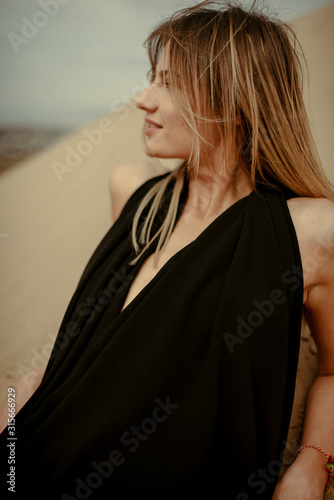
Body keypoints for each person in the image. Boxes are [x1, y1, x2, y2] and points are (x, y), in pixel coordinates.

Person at [1, 1, 334, 499]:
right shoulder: (133, 193)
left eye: (169, 82)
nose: (142, 99)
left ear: (234, 100)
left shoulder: (310, 232)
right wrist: (18, 400)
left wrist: (312, 465)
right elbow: (114, 345)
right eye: (150, 77)